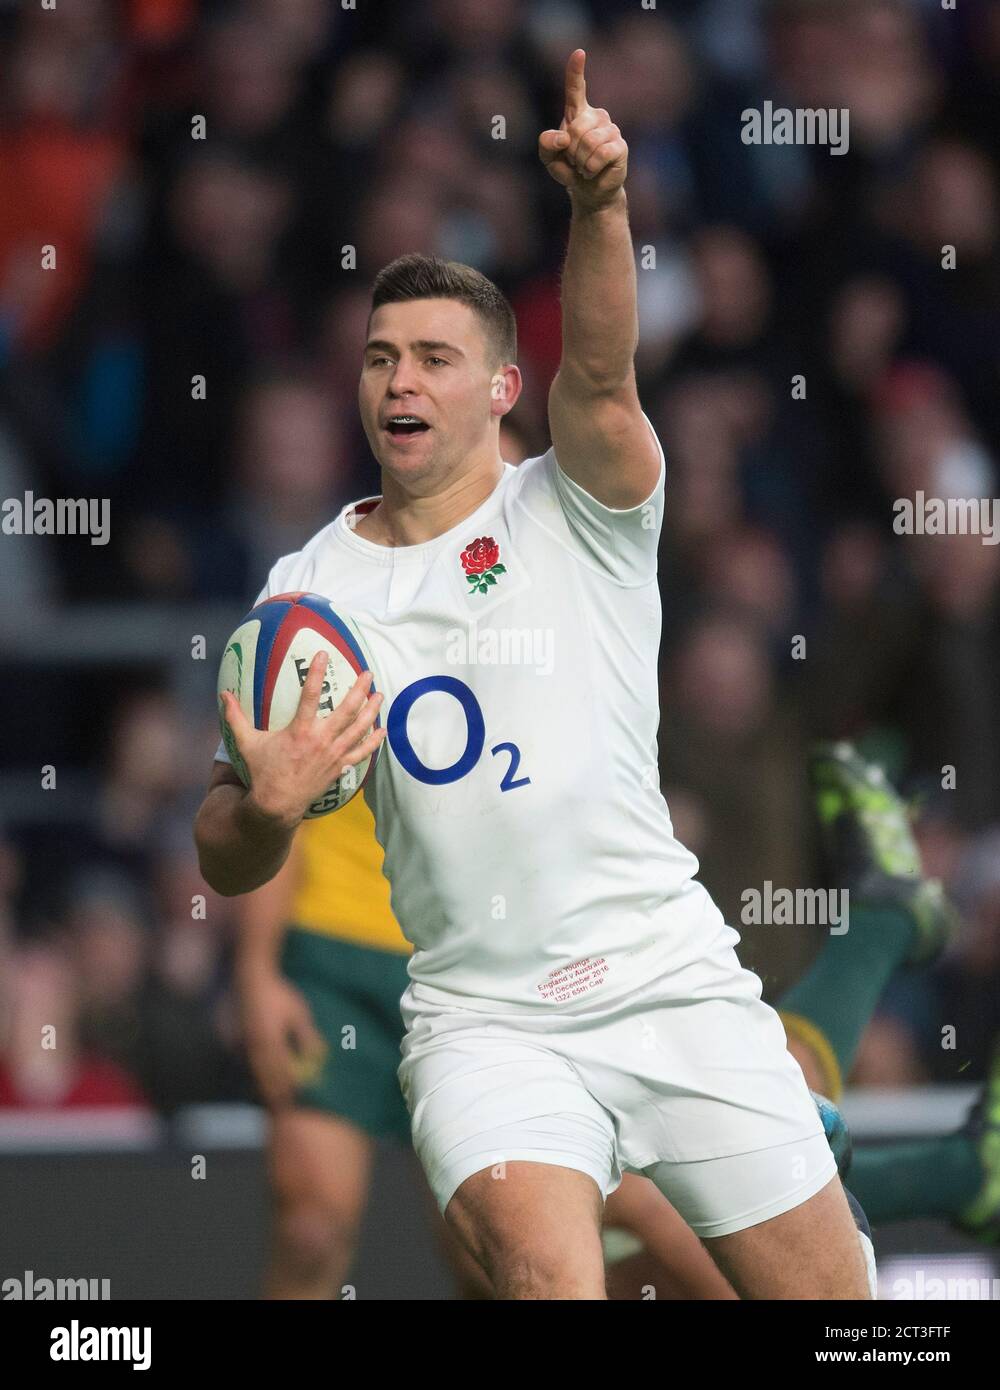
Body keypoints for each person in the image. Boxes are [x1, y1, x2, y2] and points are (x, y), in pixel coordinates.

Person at [196, 49, 871, 1299]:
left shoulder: (578, 505)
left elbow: (606, 373)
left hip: (669, 974)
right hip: (482, 1019)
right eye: (380, 356)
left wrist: (599, 207)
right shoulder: (304, 597)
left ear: (504, 387)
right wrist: (266, 809)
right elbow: (219, 844)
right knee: (544, 1278)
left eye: (435, 357)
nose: (400, 379)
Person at [235, 804, 489, 1298]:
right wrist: (256, 971)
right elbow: (276, 801)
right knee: (311, 1232)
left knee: (486, 1253)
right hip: (328, 965)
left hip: (464, 967)